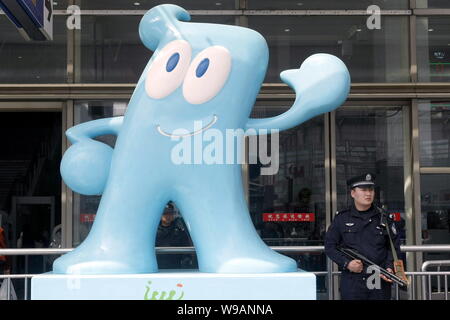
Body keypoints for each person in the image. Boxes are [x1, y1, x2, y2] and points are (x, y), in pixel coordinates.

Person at [324, 173, 401, 300]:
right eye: (363, 190)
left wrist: (389, 266)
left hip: (377, 277)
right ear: (353, 193)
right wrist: (347, 264)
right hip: (352, 279)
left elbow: (393, 246)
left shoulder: (384, 218)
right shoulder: (342, 218)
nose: (368, 194)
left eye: (370, 190)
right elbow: (330, 246)